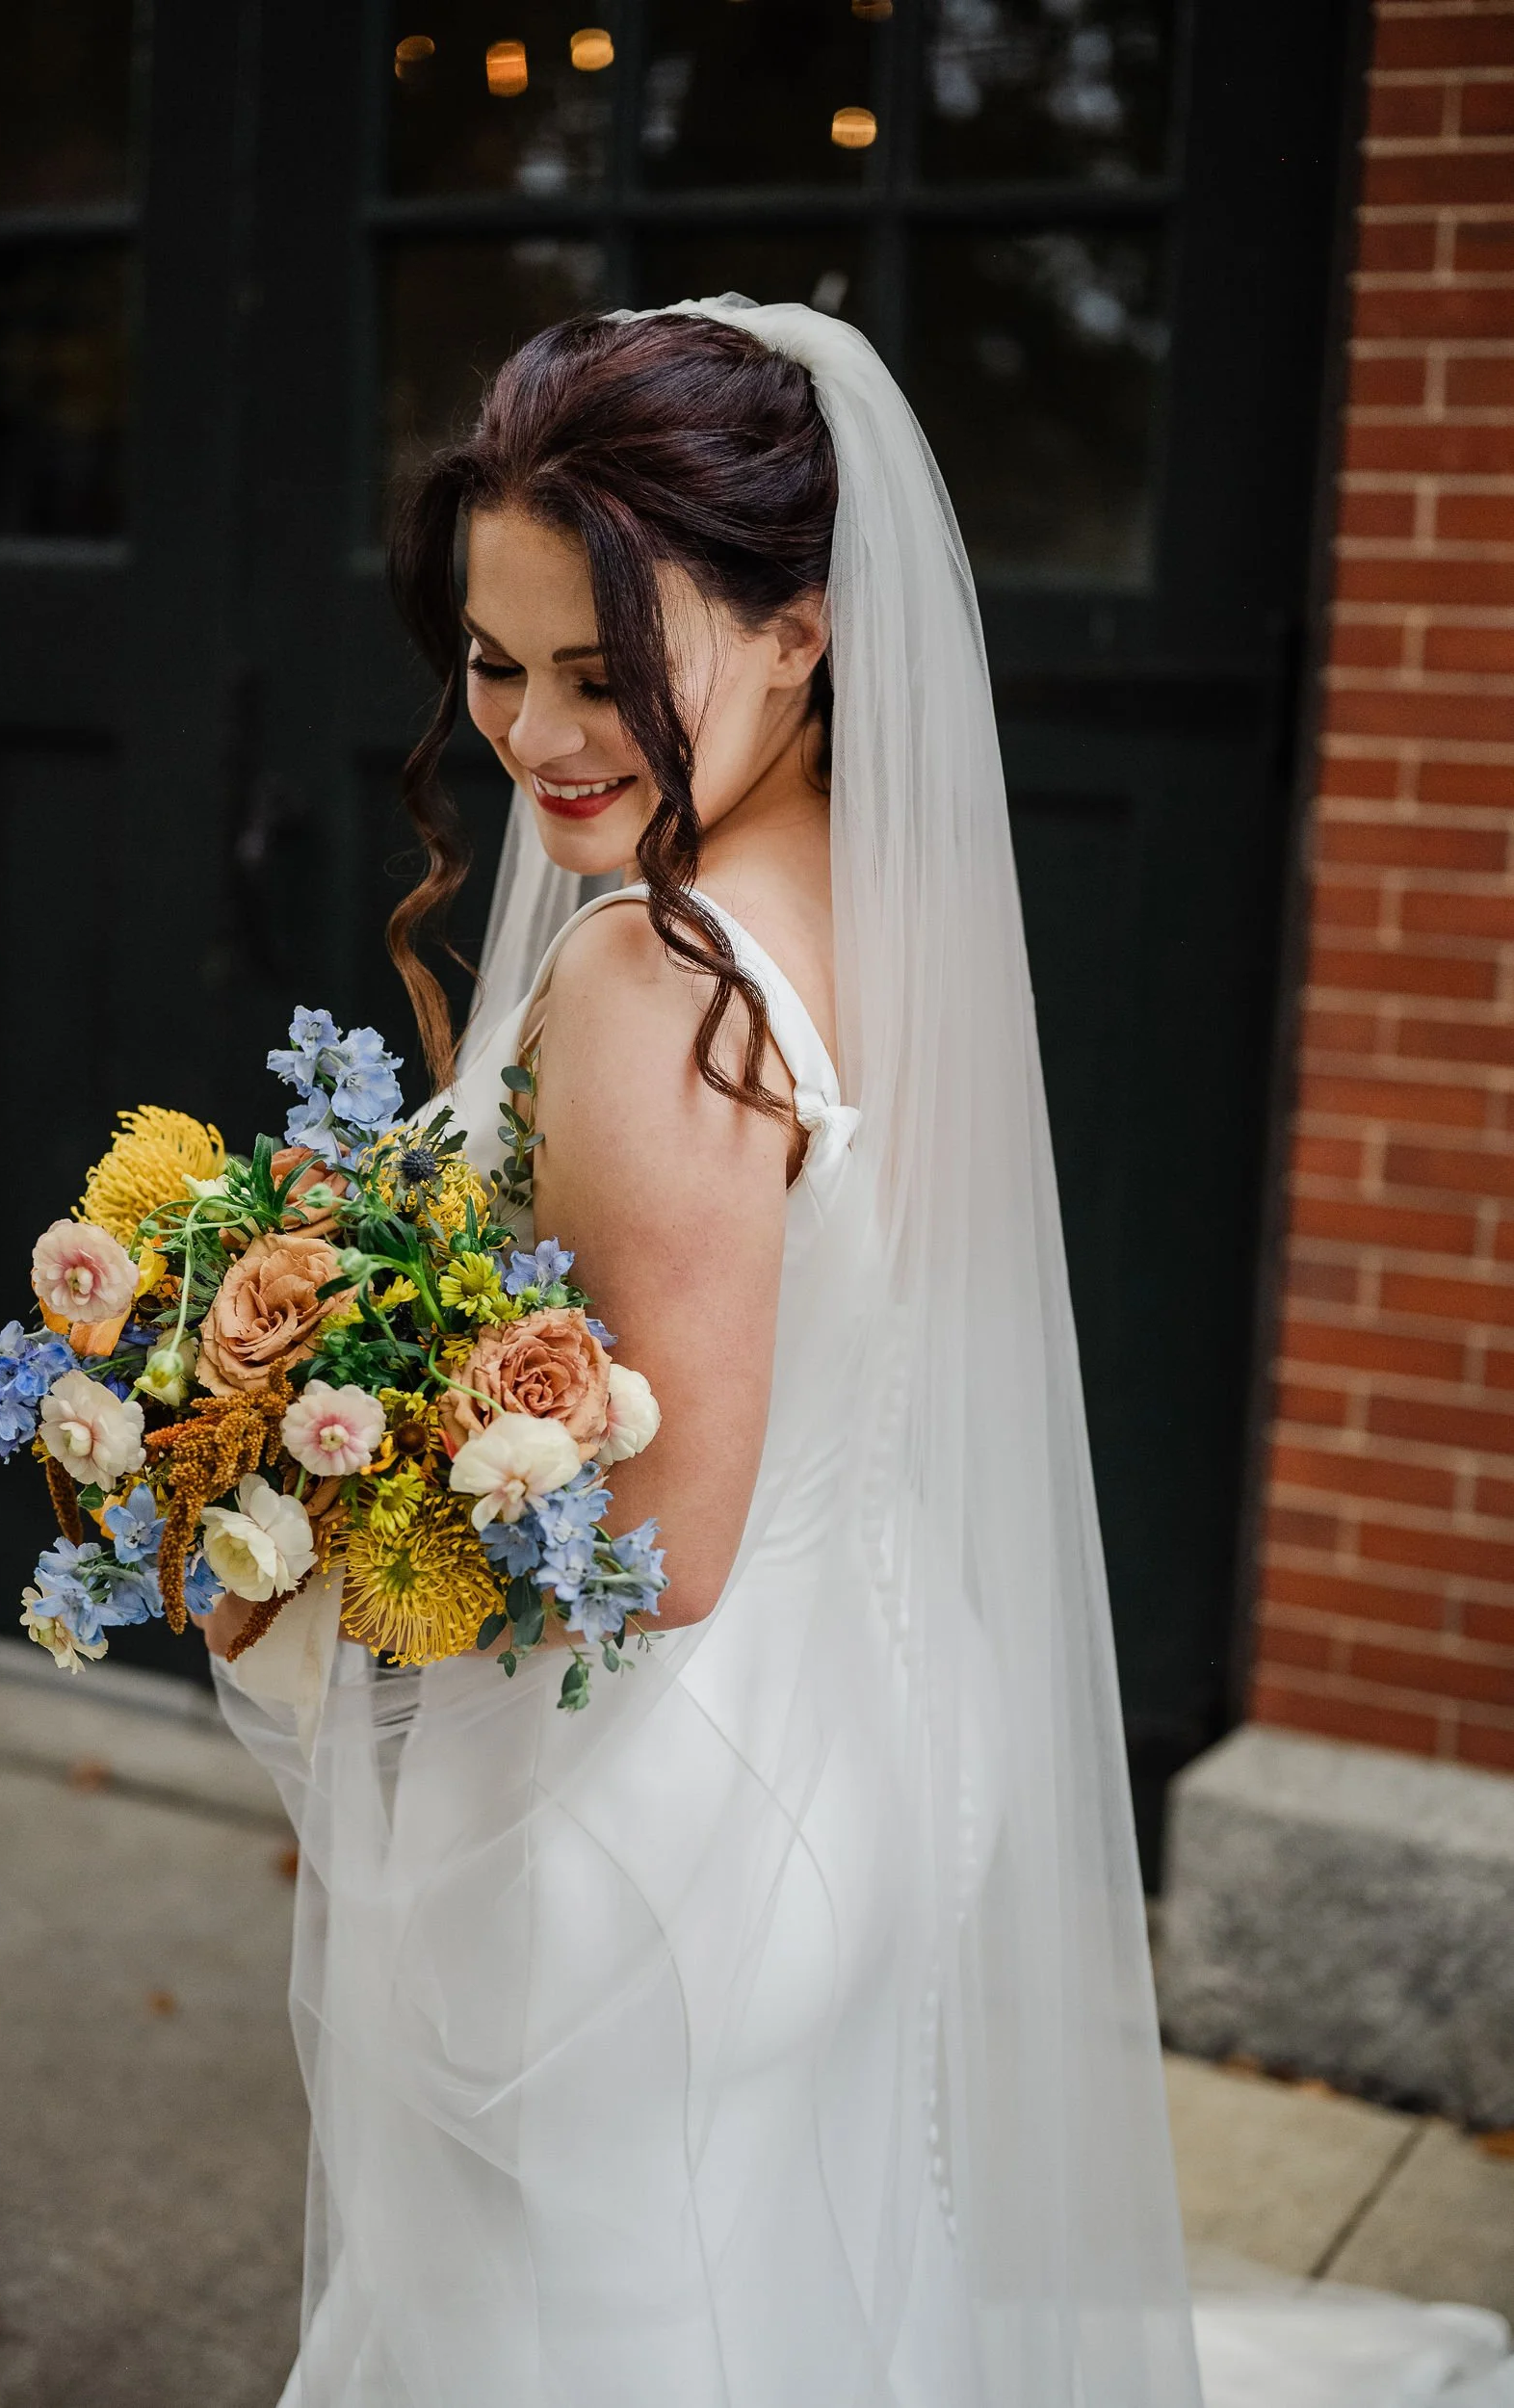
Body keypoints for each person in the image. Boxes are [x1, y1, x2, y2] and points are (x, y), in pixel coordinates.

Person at [208, 300, 1514, 2408]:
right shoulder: (866, 883)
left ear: (800, 631)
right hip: (878, 1729)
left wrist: (272, 1509)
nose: (539, 733)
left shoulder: (654, 979)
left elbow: (660, 1535)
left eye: (605, 667)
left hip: (654, 1821)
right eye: (491, 657)